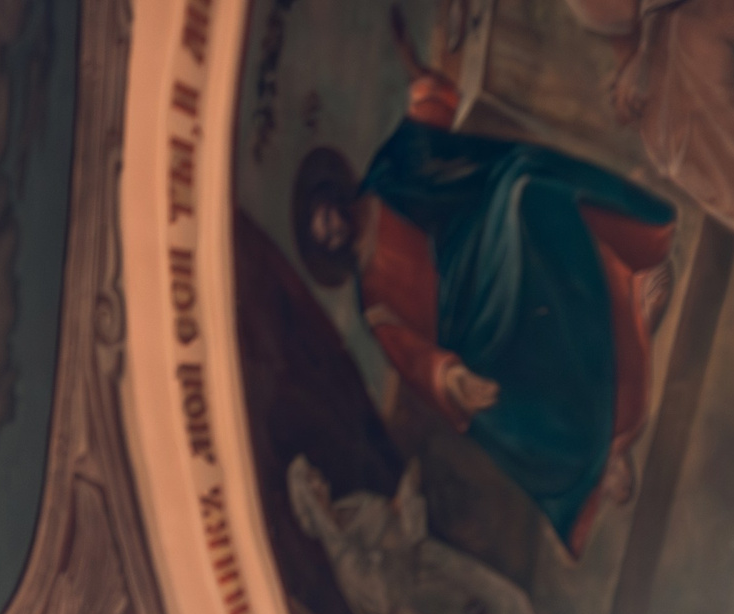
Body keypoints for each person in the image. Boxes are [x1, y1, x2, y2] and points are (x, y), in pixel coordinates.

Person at [289, 26, 674, 555]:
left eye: (326, 215)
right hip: (463, 323)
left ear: (331, 195)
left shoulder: (384, 176)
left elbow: (426, 124)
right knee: (499, 402)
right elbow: (409, 355)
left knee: (523, 189)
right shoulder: (371, 299)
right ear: (327, 249)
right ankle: (593, 456)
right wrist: (449, 376)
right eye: (324, 234)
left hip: (471, 252)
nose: (332, 227)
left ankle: (623, 276)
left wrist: (413, 71)